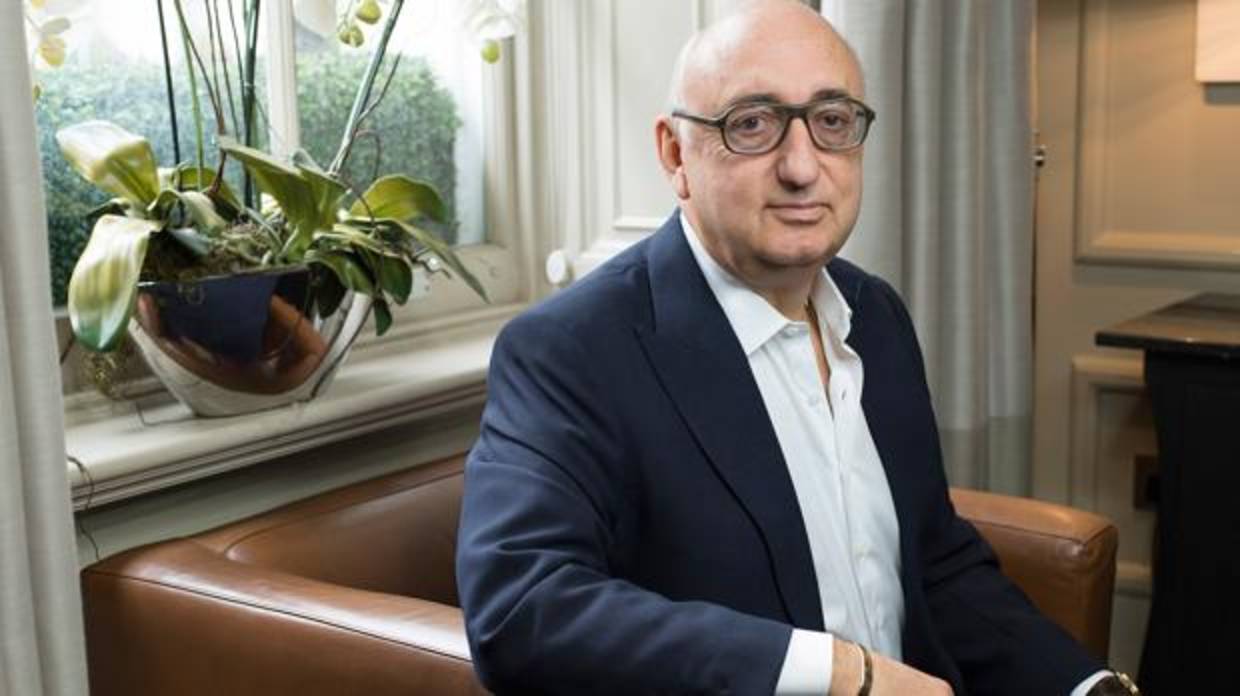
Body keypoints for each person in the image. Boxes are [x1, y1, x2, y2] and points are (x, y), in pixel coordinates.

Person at [456, 2, 1137, 694]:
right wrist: (841, 674)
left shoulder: (875, 315)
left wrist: (1087, 686)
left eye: (832, 121)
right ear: (675, 154)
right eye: (752, 124)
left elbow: (936, 567)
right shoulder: (570, 352)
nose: (802, 167)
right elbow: (521, 610)